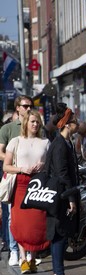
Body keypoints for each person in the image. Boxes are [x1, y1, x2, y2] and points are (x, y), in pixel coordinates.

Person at [3, 110, 50, 274]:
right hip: (21, 183)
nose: (35, 124)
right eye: (32, 121)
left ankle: (33, 258)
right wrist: (22, 168)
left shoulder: (45, 142)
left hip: (38, 184)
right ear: (26, 123)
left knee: (37, 222)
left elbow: (50, 165)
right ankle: (23, 258)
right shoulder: (16, 141)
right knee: (21, 222)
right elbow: (6, 166)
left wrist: (42, 166)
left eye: (37, 122)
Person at [46, 105, 80, 275]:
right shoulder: (60, 144)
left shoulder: (66, 142)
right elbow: (62, 173)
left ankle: (59, 272)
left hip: (63, 194)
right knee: (59, 235)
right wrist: (71, 199)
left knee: (62, 234)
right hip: (61, 196)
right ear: (66, 124)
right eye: (74, 120)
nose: (78, 123)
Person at [0, 95, 34, 266]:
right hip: (14, 175)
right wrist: (14, 161)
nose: (28, 108)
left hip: (32, 177)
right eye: (25, 106)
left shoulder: (35, 127)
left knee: (31, 214)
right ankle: (14, 250)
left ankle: (30, 252)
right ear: (18, 108)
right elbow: (0, 153)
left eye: (30, 105)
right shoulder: (8, 129)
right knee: (12, 217)